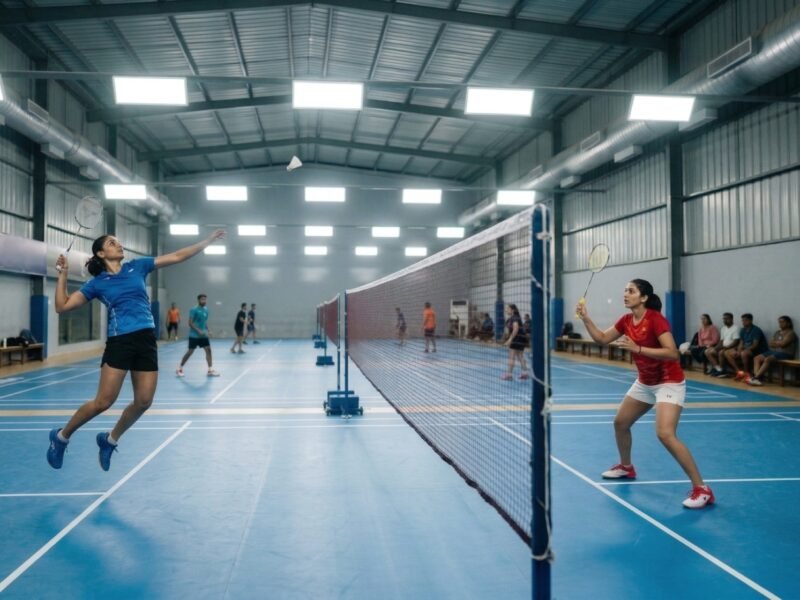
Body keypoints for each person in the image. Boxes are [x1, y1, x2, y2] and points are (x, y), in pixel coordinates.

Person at [47, 229, 225, 472]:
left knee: (143, 401)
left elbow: (177, 256)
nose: (118, 245)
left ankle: (109, 440)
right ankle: (61, 436)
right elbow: (62, 306)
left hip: (146, 340)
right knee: (103, 402)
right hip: (121, 341)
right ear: (101, 253)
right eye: (112, 243)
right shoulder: (97, 284)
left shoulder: (137, 267)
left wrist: (207, 241)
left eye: (118, 242)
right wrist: (63, 274)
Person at [576, 278, 714, 509]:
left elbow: (672, 353)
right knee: (620, 422)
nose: (625, 294)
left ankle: (702, 489)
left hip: (669, 382)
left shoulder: (655, 319)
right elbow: (601, 339)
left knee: (665, 434)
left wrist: (637, 349)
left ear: (643, 297)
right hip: (645, 382)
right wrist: (586, 318)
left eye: (631, 291)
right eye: (625, 290)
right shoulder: (627, 320)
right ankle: (626, 467)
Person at [177, 294, 221, 378]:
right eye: (202, 299)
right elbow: (190, 323)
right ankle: (180, 369)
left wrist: (208, 330)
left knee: (208, 350)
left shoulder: (206, 309)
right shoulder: (194, 310)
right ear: (198, 300)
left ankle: (210, 370)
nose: (204, 301)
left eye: (205, 299)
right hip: (194, 335)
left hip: (203, 335)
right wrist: (198, 330)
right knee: (190, 352)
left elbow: (204, 322)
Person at [748, 316, 797, 386]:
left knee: (768, 359)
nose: (780, 324)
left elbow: (783, 344)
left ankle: (756, 377)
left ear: (788, 323)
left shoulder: (791, 333)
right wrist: (779, 343)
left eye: (783, 322)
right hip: (775, 352)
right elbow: (770, 344)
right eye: (779, 322)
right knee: (757, 358)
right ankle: (757, 378)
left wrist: (777, 343)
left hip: (786, 353)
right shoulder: (777, 332)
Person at [723, 313, 768, 381]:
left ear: (751, 321)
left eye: (745, 320)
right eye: (743, 320)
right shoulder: (743, 330)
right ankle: (739, 372)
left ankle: (747, 373)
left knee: (744, 353)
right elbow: (741, 343)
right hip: (745, 349)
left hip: (758, 351)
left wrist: (742, 351)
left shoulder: (756, 330)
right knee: (727, 352)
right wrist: (738, 350)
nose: (743, 322)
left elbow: (755, 345)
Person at [705, 312, 739, 377]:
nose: (725, 320)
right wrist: (715, 348)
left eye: (727, 319)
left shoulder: (736, 328)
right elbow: (721, 341)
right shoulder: (723, 328)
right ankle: (718, 369)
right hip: (723, 347)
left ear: (732, 319)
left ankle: (723, 371)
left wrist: (726, 347)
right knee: (707, 351)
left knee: (721, 352)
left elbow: (736, 341)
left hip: (732, 348)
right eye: (724, 319)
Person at [501, 303, 529, 381]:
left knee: (512, 356)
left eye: (507, 308)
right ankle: (525, 373)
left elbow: (516, 329)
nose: (506, 310)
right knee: (520, 356)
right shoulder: (511, 318)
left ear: (512, 310)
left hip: (517, 339)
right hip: (520, 338)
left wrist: (510, 340)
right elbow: (508, 330)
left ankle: (509, 375)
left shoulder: (515, 318)